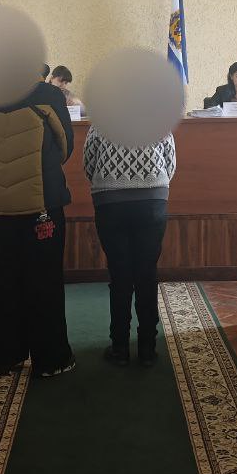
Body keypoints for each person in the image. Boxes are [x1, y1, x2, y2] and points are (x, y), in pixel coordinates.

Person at [0, 78, 76, 378]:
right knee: (45, 281)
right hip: (40, 201)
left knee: (6, 280)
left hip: (0, 205)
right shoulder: (48, 94)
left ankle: (6, 356)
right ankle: (51, 359)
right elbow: (65, 147)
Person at [83, 124, 177, 367]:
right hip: (152, 201)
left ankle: (120, 347)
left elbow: (89, 165)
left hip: (110, 203)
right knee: (147, 274)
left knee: (119, 275)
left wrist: (113, 182)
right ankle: (147, 349)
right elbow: (170, 164)